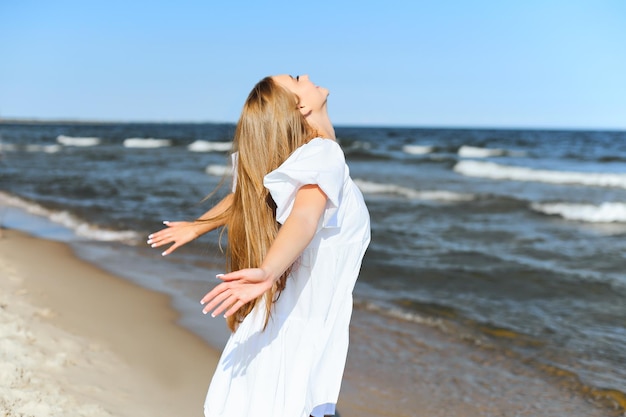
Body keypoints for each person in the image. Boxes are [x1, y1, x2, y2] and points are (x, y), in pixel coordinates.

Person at [147, 74, 370, 417]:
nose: (307, 77)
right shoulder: (323, 153)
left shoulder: (305, 158)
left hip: (294, 314)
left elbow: (248, 194)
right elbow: (304, 218)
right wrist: (267, 271)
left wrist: (198, 227)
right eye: (298, 79)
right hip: (301, 318)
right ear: (302, 106)